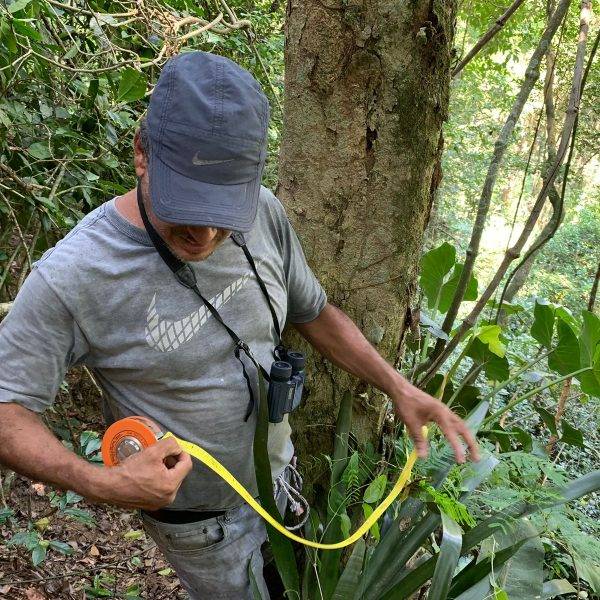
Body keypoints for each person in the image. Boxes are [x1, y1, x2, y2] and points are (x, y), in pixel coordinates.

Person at [0, 51, 479, 599]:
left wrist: (397, 387)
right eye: (185, 205)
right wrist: (101, 483)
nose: (204, 235)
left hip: (282, 485)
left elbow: (312, 312)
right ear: (141, 153)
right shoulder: (76, 274)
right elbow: (6, 409)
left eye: (222, 212)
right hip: (204, 529)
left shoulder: (264, 214)